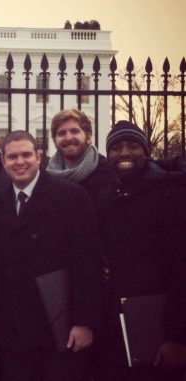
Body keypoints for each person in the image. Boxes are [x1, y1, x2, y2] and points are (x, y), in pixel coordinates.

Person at [0, 130, 102, 381]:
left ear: (38, 157)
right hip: (14, 329)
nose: (20, 162)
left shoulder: (70, 195)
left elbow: (87, 263)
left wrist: (84, 322)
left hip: (60, 323)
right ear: (3, 161)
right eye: (12, 157)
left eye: (26, 155)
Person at [93, 121, 186, 381]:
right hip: (117, 324)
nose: (124, 153)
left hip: (160, 327)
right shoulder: (107, 196)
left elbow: (182, 267)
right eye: (116, 148)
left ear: (146, 152)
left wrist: (178, 337)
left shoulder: (172, 192)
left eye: (133, 146)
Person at [46, 109, 114, 201]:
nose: (68, 137)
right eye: (61, 133)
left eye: (74, 131)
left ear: (88, 135)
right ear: (54, 139)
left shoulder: (107, 171)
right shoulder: (46, 176)